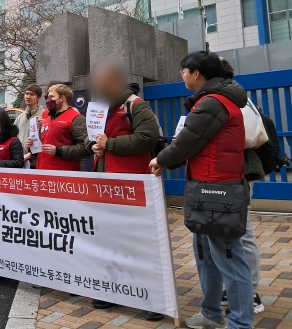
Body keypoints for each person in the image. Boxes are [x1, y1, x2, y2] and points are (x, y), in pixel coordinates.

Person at [150, 51, 254, 329]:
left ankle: (240, 322)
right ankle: (211, 313)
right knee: (207, 255)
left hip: (217, 191)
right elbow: (194, 145)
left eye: (184, 71)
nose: (182, 76)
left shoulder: (212, 103)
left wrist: (160, 160)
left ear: (196, 73)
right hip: (205, 188)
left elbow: (186, 142)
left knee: (230, 258)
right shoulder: (212, 101)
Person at [86, 62, 163, 320]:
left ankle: (152, 297)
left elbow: (147, 138)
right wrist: (94, 147)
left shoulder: (135, 105)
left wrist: (111, 144)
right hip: (104, 183)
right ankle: (110, 289)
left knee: (138, 240)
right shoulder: (101, 107)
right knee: (108, 238)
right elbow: (94, 139)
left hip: (131, 185)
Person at [219, 59, 265, 314]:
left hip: (239, 174)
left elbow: (244, 137)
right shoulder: (229, 96)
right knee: (230, 234)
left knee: (242, 233)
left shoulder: (234, 98)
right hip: (232, 174)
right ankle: (237, 287)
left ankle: (251, 292)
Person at [29, 84, 89, 170]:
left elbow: (85, 148)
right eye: (47, 97)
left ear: (62, 98)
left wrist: (59, 151)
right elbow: (42, 148)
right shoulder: (46, 119)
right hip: (43, 173)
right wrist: (31, 147)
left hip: (63, 176)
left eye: (51, 97)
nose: (48, 100)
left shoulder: (77, 118)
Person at [13, 84, 43, 168]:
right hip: (20, 161)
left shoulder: (44, 115)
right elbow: (13, 138)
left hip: (37, 163)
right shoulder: (19, 118)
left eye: (32, 94)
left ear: (38, 98)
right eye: (27, 94)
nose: (28, 96)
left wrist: (30, 154)